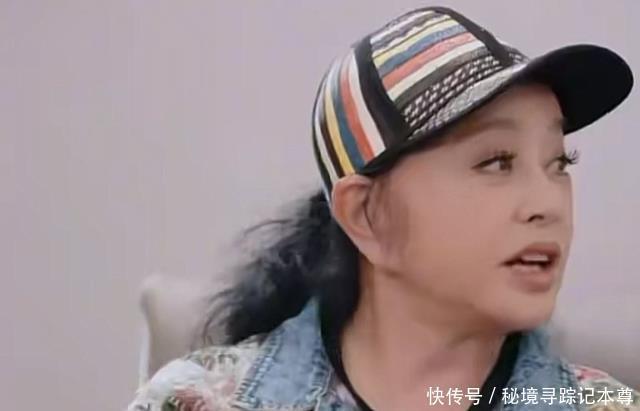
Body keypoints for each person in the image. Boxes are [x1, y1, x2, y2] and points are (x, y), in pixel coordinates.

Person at [127, 5, 639, 411]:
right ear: (366, 216)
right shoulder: (194, 401)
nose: (548, 203)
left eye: (559, 162)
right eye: (496, 162)